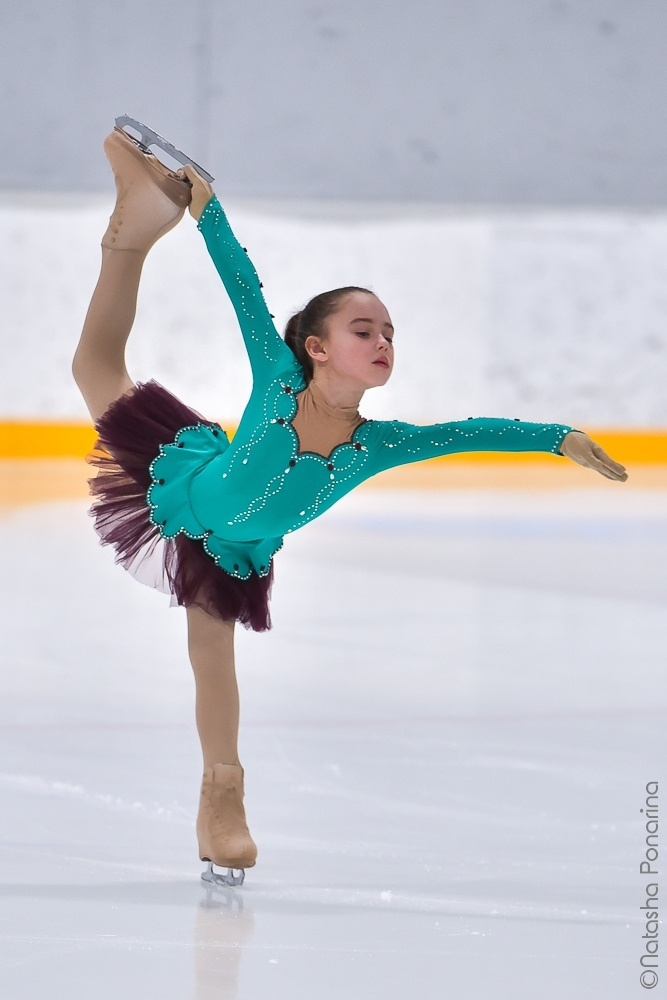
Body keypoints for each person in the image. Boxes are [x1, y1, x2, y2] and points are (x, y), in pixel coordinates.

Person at [72, 125, 628, 887]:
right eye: (362, 329)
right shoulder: (277, 375)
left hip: (225, 548)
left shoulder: (380, 443)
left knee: (212, 659)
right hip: (178, 481)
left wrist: (555, 436)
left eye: (390, 334)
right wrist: (207, 211)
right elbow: (243, 285)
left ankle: (221, 805)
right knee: (93, 364)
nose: (382, 341)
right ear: (316, 347)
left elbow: (465, 433)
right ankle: (130, 231)